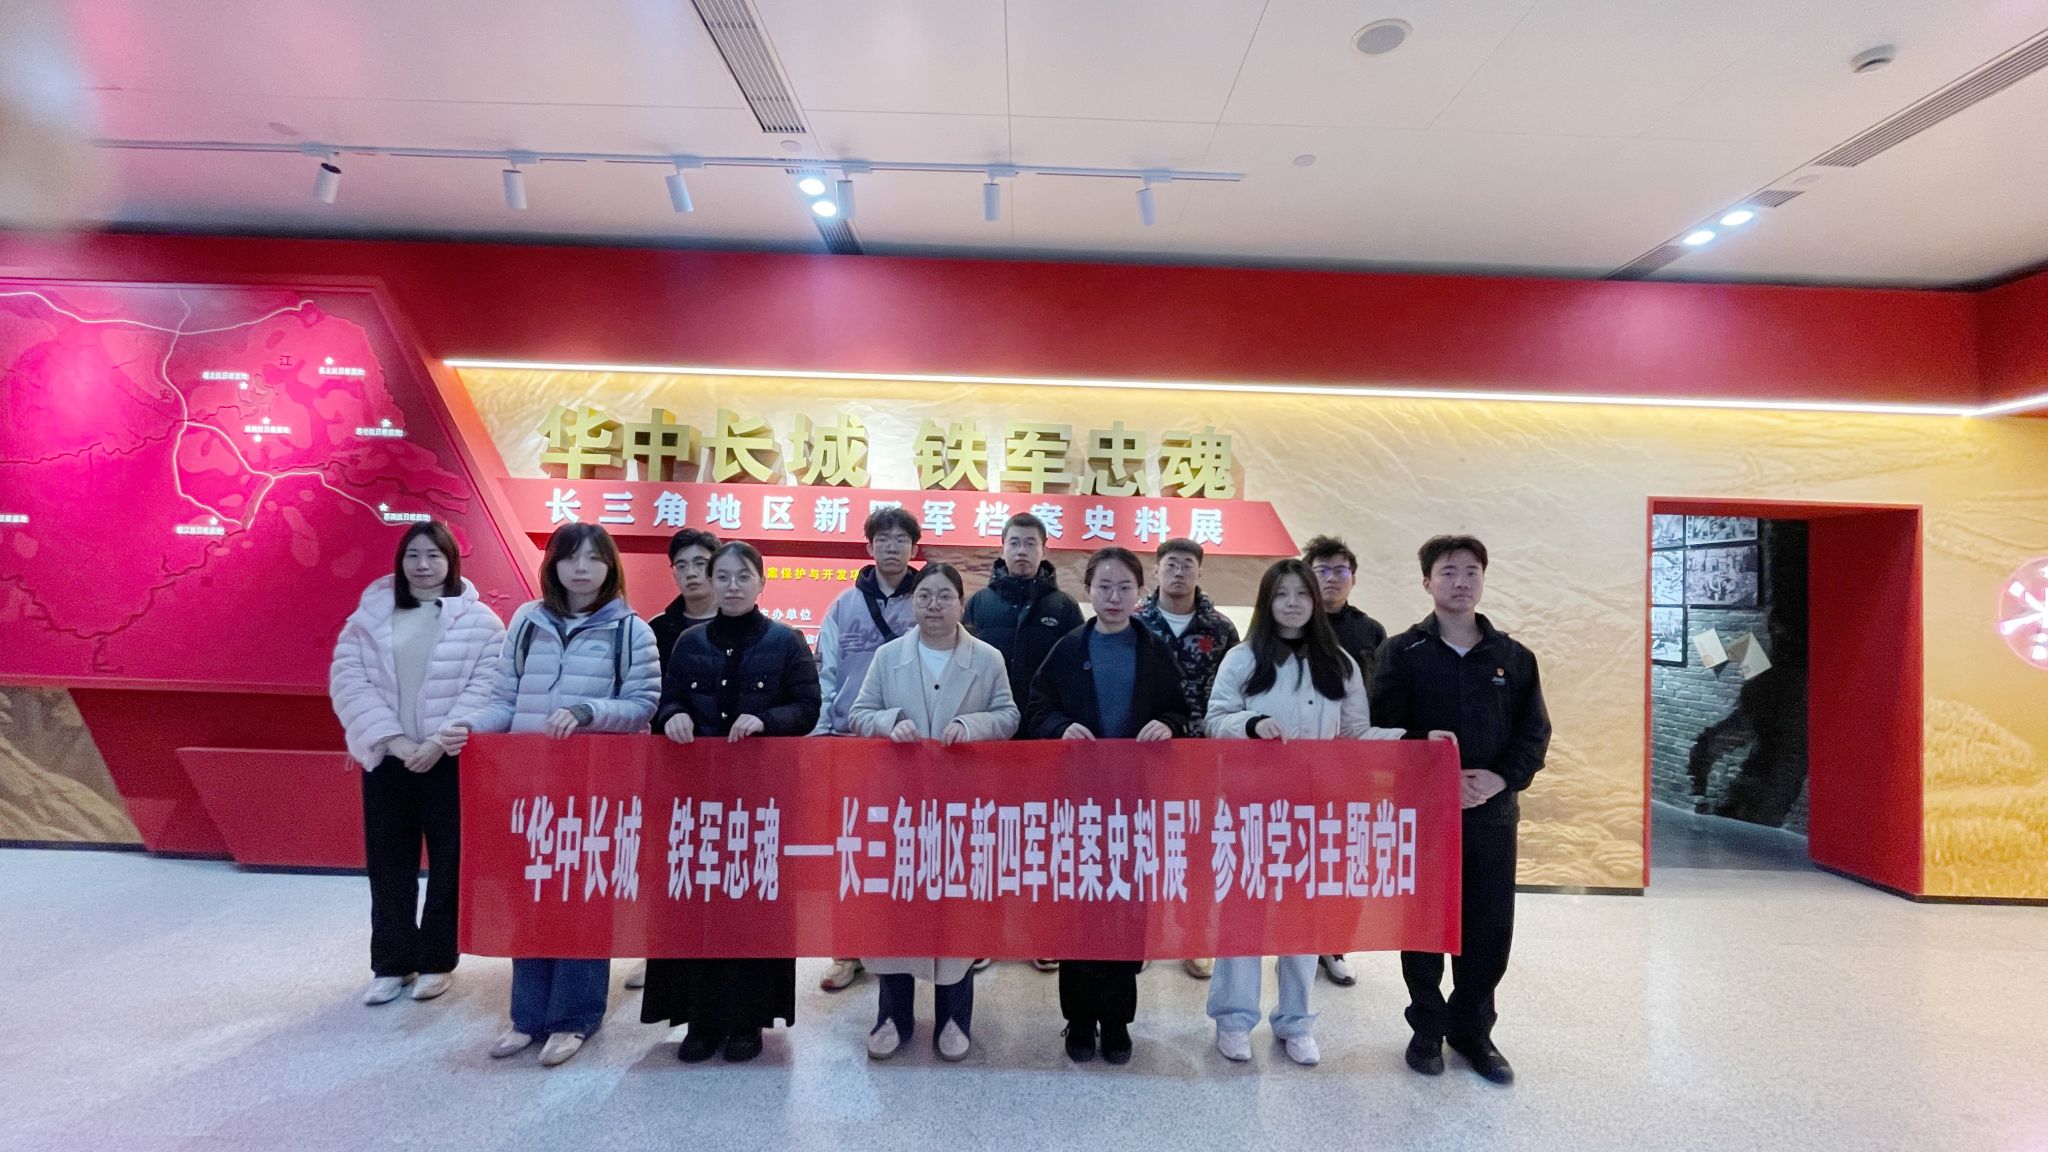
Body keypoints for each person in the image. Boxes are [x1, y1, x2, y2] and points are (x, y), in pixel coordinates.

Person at [459, 523, 660, 1068]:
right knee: (530, 897)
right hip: (530, 786)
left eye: (594, 558)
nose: (581, 568)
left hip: (595, 792)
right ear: (553, 565)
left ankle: (574, 1018)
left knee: (584, 902)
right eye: (570, 557)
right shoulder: (527, 621)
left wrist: (590, 712)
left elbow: (642, 705)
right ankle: (527, 1016)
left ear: (610, 567)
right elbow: (503, 699)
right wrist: (469, 727)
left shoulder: (631, 631)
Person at [1203, 558, 1418, 1066]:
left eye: (1301, 594)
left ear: (1315, 602)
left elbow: (1355, 733)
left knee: (1303, 916)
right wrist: (1250, 723)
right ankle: (1234, 1019)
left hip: (1315, 809)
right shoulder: (1242, 658)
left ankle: (1296, 1021)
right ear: (1267, 601)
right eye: (1282, 594)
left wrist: (1413, 741)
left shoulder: (1338, 663)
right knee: (1244, 913)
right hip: (1251, 808)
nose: (1293, 603)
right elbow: (1214, 719)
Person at [1371, 534, 1550, 1086]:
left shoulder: (1513, 658)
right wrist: (1437, 772)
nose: (1461, 582)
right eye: (1448, 572)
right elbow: (1380, 730)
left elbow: (1534, 734)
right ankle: (1427, 1026)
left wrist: (1499, 779)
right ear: (1427, 582)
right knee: (1423, 921)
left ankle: (1474, 1030)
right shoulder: (1401, 652)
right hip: (1423, 812)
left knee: (1488, 927)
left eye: (1471, 571)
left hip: (1491, 814)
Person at [642, 541, 823, 1064]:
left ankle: (748, 1020)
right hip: (696, 799)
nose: (732, 585)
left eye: (743, 576)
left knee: (752, 906)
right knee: (695, 904)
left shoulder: (786, 641)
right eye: (722, 576)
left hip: (761, 801)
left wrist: (766, 720)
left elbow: (807, 708)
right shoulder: (689, 642)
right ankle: (699, 1021)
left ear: (762, 582)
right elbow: (667, 700)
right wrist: (672, 716)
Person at [329, 520, 506, 1008]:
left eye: (434, 555)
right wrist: (394, 740)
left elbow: (487, 687)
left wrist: (438, 742)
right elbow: (349, 681)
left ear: (451, 562)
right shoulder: (369, 617)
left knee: (450, 863)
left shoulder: (481, 623)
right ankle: (391, 963)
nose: (422, 565)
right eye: (413, 555)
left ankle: (436, 960)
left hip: (450, 760)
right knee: (389, 864)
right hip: (388, 758)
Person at [1025, 546, 1189, 1066]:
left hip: (1136, 804)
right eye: (1104, 586)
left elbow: (1181, 710)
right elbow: (1037, 707)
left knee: (1125, 910)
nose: (1114, 597)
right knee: (1077, 909)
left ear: (1140, 592)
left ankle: (1117, 1022)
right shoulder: (1069, 647)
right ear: (1088, 590)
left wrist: (1169, 724)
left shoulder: (1154, 650)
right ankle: (1078, 1019)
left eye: (1124, 587)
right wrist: (1059, 727)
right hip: (1077, 803)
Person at [847, 562, 1018, 1062]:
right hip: (900, 807)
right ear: (912, 603)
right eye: (924, 596)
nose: (934, 605)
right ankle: (892, 1016)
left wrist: (971, 725)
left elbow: (1009, 715)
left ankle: (954, 1018)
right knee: (896, 910)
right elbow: (858, 714)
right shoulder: (888, 656)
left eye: (945, 596)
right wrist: (889, 721)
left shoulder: (987, 658)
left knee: (956, 911)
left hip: (962, 806)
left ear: (962, 604)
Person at [961, 510, 1083, 976]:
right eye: (1014, 542)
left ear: (1044, 550)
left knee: (1045, 838)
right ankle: (984, 932)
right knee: (987, 837)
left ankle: (1043, 932)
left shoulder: (1063, 607)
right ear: (1002, 548)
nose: (1022, 550)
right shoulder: (979, 605)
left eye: (1031, 543)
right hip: (990, 741)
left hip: (1045, 741)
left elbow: (1076, 672)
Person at [812, 505, 923, 993]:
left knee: (905, 847)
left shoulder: (929, 598)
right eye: (884, 539)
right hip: (850, 742)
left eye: (901, 539)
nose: (892, 547)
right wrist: (820, 735)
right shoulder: (843, 605)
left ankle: (899, 944)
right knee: (850, 849)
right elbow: (826, 674)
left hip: (912, 745)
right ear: (869, 546)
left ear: (914, 548)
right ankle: (846, 951)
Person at [1133, 536, 1238, 980]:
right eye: (1171, 564)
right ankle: (1142, 935)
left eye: (1187, 565)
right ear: (1157, 570)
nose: (1179, 572)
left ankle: (1195, 936)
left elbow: (1235, 691)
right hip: (1145, 754)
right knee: (1144, 845)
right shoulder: (1135, 621)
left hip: (1201, 757)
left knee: (1196, 848)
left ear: (1199, 571)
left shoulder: (1221, 629)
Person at [624, 527, 721, 993]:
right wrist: (670, 713)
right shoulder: (656, 629)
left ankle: (717, 952)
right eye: (681, 566)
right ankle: (660, 955)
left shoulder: (744, 623)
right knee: (669, 859)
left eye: (700, 564)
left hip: (732, 764)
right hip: (671, 760)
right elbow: (647, 692)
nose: (690, 574)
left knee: (722, 859)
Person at [1300, 533, 1390, 989]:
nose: (1331, 579)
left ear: (1353, 578)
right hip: (1296, 765)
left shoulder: (1370, 632)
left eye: (1340, 570)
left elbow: (1382, 697)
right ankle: (1293, 942)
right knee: (1296, 854)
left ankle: (1334, 946)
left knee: (1343, 857)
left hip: (1352, 765)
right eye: (1321, 570)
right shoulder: (1290, 624)